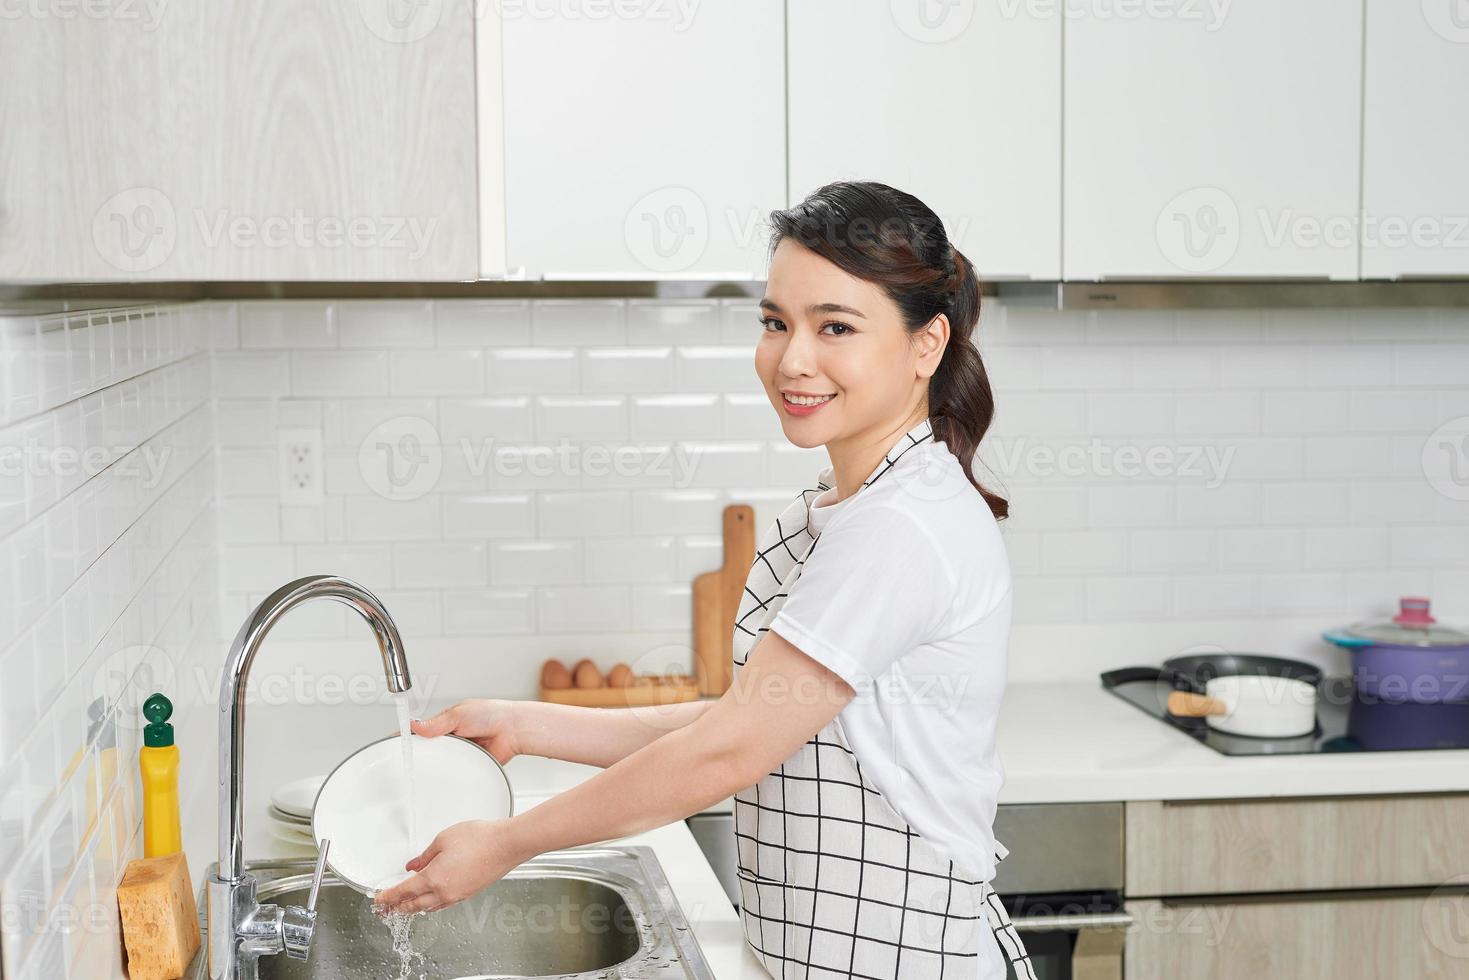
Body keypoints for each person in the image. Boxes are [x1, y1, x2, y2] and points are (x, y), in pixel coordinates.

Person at [375, 180, 1035, 979]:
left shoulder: (900, 525)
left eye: (835, 327)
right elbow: (759, 719)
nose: (792, 359)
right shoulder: (841, 508)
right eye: (774, 322)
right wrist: (525, 724)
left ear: (925, 345)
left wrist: (507, 843)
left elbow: (726, 753)